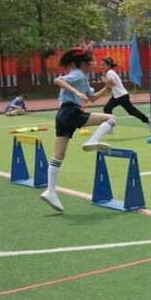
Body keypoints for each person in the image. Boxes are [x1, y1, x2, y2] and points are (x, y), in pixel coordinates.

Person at [39, 48, 116, 212]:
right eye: (93, 62)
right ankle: (92, 140)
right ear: (84, 64)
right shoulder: (78, 74)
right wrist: (75, 92)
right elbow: (58, 80)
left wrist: (106, 88)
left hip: (61, 115)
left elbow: (91, 98)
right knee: (111, 118)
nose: (96, 64)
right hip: (71, 112)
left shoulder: (83, 77)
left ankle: (50, 191)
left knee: (58, 155)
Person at [99, 57, 151, 129]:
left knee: (131, 111)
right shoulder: (110, 72)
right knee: (107, 108)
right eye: (101, 65)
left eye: (103, 65)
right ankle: (109, 126)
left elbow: (112, 83)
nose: (101, 67)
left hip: (121, 96)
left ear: (108, 66)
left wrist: (104, 81)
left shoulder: (109, 73)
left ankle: (148, 121)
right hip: (118, 96)